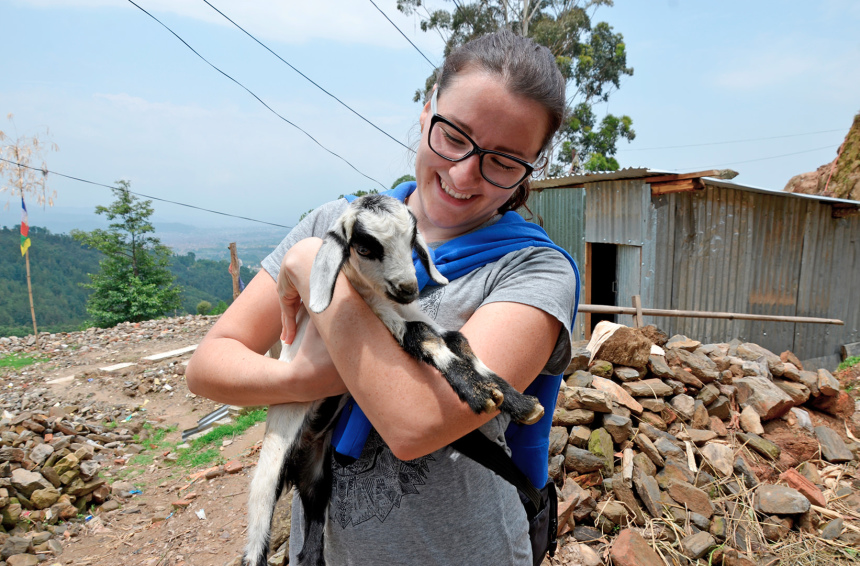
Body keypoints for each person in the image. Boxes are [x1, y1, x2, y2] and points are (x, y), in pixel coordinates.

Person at [186, 30, 578, 565]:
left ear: (534, 165)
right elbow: (208, 365)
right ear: (427, 111)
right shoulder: (335, 220)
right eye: (453, 135)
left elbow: (414, 426)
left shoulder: (533, 270)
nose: (464, 173)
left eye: (505, 162)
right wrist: (304, 379)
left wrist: (312, 267)